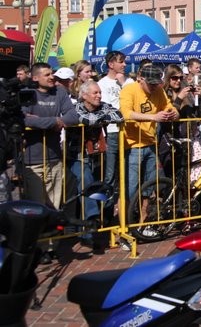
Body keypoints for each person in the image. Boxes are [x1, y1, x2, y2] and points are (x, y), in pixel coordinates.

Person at [67, 81, 124, 240]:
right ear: (84, 95)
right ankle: (91, 222)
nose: (99, 96)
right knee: (86, 183)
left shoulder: (103, 106)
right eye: (95, 93)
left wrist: (98, 117)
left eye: (99, 92)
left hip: (97, 156)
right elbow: (81, 118)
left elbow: (118, 115)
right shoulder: (75, 107)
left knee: (98, 186)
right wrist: (101, 118)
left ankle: (95, 224)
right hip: (78, 156)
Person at [119, 65, 179, 218]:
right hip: (132, 144)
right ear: (141, 79)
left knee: (149, 187)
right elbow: (125, 113)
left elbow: (170, 107)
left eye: (156, 83)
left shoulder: (159, 90)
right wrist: (154, 117)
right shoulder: (129, 89)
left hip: (151, 143)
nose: (153, 87)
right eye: (150, 84)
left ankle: (142, 221)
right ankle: (126, 223)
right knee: (130, 187)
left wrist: (172, 114)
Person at [22, 63, 79, 209]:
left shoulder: (59, 92)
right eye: (47, 75)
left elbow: (73, 116)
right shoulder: (27, 92)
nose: (52, 77)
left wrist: (38, 121)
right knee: (37, 207)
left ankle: (52, 233)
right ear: (35, 77)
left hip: (55, 159)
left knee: (53, 208)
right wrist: (54, 121)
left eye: (51, 73)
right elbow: (24, 119)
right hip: (33, 160)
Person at [98, 51, 131, 196]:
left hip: (129, 131)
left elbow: (134, 99)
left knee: (128, 171)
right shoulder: (102, 84)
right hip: (112, 132)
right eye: (121, 61)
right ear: (111, 64)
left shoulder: (129, 82)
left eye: (124, 61)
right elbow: (107, 107)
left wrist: (123, 83)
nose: (124, 64)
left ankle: (126, 207)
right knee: (110, 173)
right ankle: (107, 209)